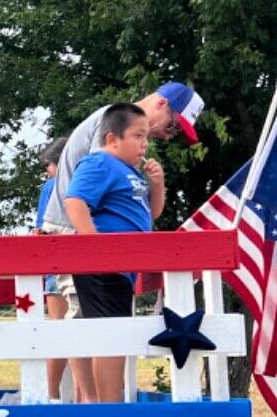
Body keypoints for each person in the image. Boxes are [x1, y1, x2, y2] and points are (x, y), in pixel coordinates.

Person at [40, 81, 201, 399]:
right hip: (79, 237)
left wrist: (156, 186)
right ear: (160, 104)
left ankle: (102, 402)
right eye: (173, 125)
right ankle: (94, 405)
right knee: (87, 323)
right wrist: (95, 246)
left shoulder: (129, 154)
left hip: (111, 255)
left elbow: (141, 209)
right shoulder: (111, 130)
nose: (169, 135)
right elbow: (85, 196)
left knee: (108, 328)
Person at [61, 103, 165, 403]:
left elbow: (151, 214)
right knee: (110, 338)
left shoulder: (129, 171)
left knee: (116, 337)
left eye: (147, 137)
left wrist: (157, 185)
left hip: (122, 270)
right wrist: (96, 247)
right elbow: (75, 201)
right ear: (112, 139)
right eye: (137, 136)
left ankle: (111, 405)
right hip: (103, 268)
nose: (145, 144)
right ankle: (109, 410)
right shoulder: (100, 163)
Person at [34, 136, 69, 399]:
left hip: (56, 266)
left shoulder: (51, 187)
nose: (48, 170)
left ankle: (52, 394)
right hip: (82, 265)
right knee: (84, 331)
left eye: (50, 164)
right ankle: (83, 395)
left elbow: (41, 229)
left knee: (59, 330)